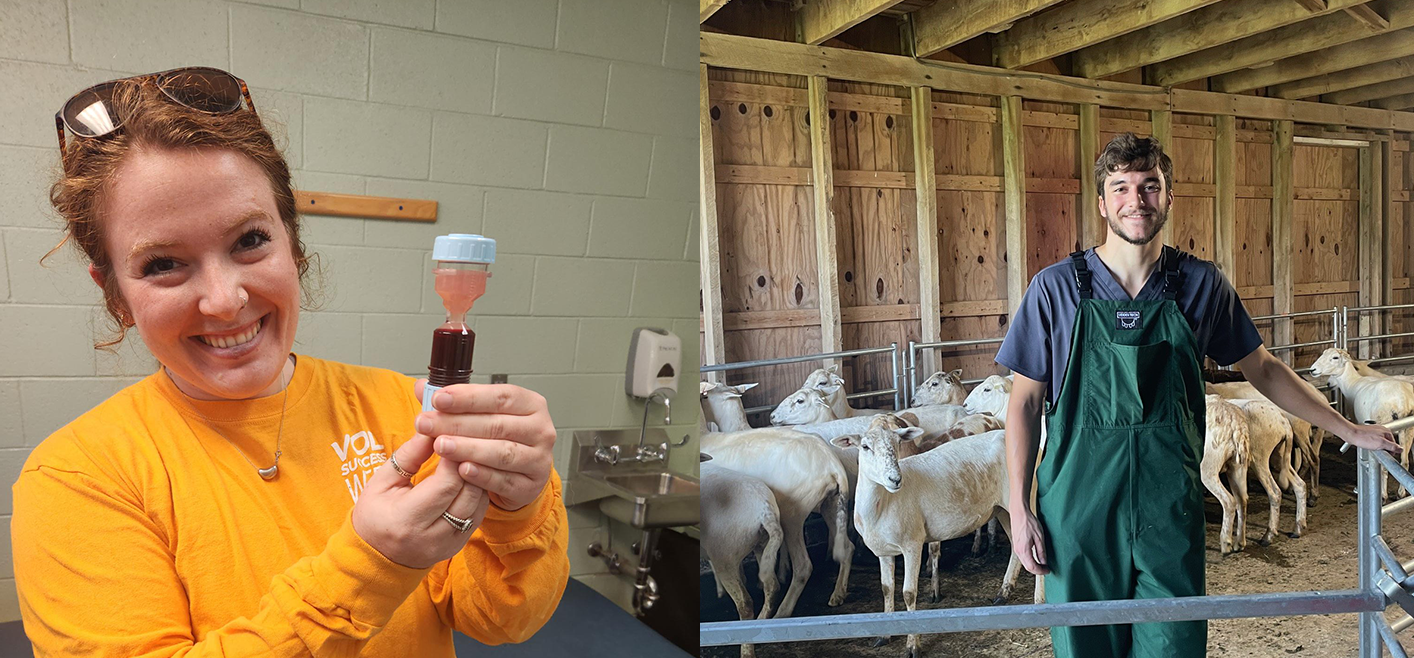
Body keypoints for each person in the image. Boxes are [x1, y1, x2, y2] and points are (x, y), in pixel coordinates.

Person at [11, 67, 570, 656]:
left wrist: (519, 504)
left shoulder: (400, 409)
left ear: (292, 243)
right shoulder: (81, 479)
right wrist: (371, 565)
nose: (225, 300)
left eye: (250, 240)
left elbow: (501, 619)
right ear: (115, 296)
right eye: (162, 264)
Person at [995, 132, 1400, 657]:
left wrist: (1346, 428)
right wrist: (1019, 507)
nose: (1135, 200)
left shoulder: (1201, 285)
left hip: (1169, 505)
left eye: (1149, 186)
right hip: (1078, 508)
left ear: (1168, 195)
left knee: (1175, 642)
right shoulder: (1054, 289)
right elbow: (1024, 404)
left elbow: (1265, 370)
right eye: (1120, 188)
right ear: (1102, 202)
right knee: (1084, 643)